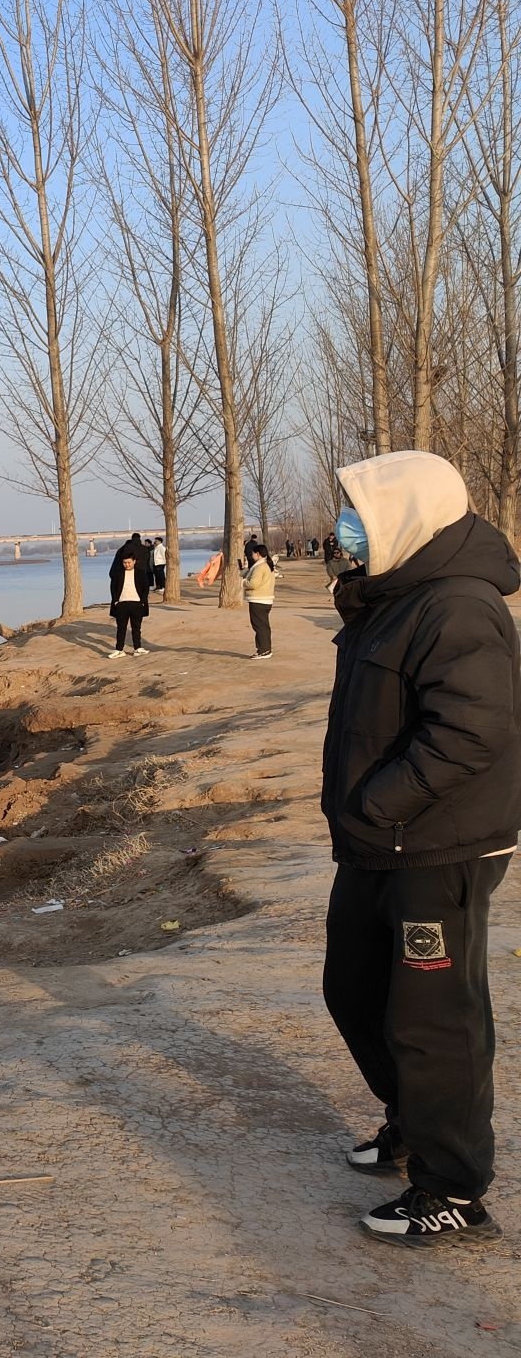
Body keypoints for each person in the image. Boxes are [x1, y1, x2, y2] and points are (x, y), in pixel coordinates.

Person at [321, 449, 521, 1246]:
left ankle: (453, 1186)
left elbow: (472, 730)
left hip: (437, 846)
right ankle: (410, 1123)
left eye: (358, 514)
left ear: (406, 516)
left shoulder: (459, 606)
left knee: (435, 1019)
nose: (346, 529)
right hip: (380, 843)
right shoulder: (392, 598)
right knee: (355, 989)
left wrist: (380, 799)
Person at [107, 543, 152, 657]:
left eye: (129, 562)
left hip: (137, 603)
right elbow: (113, 587)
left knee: (136, 628)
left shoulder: (141, 573)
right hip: (122, 603)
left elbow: (146, 588)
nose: (126, 565)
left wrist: (142, 601)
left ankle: (137, 648)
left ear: (134, 561)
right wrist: (116, 601)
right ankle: (119, 650)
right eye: (124, 563)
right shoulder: (118, 573)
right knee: (121, 628)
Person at [242, 541, 276, 658]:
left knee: (259, 626)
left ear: (258, 554)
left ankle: (263, 650)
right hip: (265, 600)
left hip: (258, 600)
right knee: (263, 626)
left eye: (253, 553)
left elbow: (253, 584)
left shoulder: (260, 567)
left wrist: (242, 583)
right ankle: (266, 649)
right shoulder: (267, 565)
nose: (252, 555)